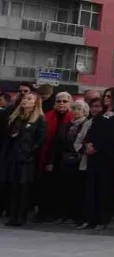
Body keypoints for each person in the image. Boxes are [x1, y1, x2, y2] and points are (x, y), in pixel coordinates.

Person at [79, 96, 114, 230]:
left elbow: (112, 135)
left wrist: (97, 147)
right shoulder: (99, 117)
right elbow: (90, 132)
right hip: (93, 156)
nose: (107, 99)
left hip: (107, 156)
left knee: (104, 189)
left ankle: (102, 219)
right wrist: (88, 144)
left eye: (110, 96)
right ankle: (88, 218)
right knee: (90, 189)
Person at [3, 91, 46, 226]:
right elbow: (8, 136)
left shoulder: (39, 119)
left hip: (27, 159)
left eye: (29, 99)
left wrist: (30, 152)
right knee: (13, 187)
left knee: (23, 187)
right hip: (13, 156)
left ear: (35, 103)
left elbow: (40, 139)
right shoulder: (16, 117)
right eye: (24, 99)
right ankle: (13, 215)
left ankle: (22, 216)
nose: (25, 101)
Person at [36, 91, 73, 222]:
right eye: (59, 101)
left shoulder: (73, 117)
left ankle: (59, 213)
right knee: (46, 185)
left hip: (65, 158)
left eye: (65, 101)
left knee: (62, 187)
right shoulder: (47, 116)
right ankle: (44, 212)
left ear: (70, 103)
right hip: (47, 155)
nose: (61, 104)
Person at [50, 100, 87, 224]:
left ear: (84, 111)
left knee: (77, 189)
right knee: (63, 188)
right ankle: (63, 214)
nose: (76, 111)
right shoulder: (66, 125)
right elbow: (57, 143)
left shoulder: (86, 124)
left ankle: (75, 215)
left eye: (79, 109)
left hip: (78, 159)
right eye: (74, 108)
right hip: (64, 160)